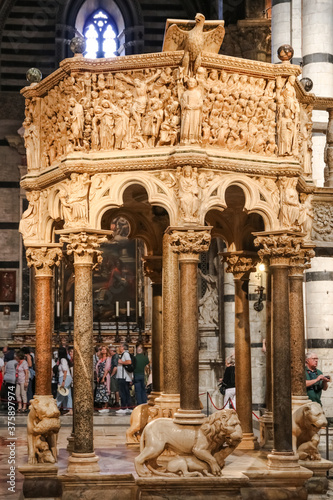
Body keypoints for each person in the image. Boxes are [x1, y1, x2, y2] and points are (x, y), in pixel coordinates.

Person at [115, 342, 133, 415]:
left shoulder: (125, 354)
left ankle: (124, 407)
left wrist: (121, 362)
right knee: (125, 392)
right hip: (122, 376)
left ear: (123, 347)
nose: (119, 348)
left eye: (120, 346)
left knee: (123, 392)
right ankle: (128, 407)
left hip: (123, 377)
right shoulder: (124, 354)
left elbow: (129, 362)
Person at [56, 346, 73, 415]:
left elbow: (65, 371)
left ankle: (56, 407)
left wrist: (63, 381)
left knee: (61, 393)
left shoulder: (63, 360)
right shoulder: (63, 360)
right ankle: (69, 409)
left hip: (64, 377)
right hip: (65, 377)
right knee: (68, 394)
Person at [95, 345, 111, 413]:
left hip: (105, 375)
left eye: (105, 349)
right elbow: (97, 368)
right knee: (100, 391)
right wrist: (98, 377)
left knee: (105, 390)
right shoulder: (100, 359)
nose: (103, 351)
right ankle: (101, 405)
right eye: (102, 349)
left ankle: (106, 405)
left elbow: (107, 368)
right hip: (100, 375)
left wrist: (103, 377)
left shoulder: (108, 358)